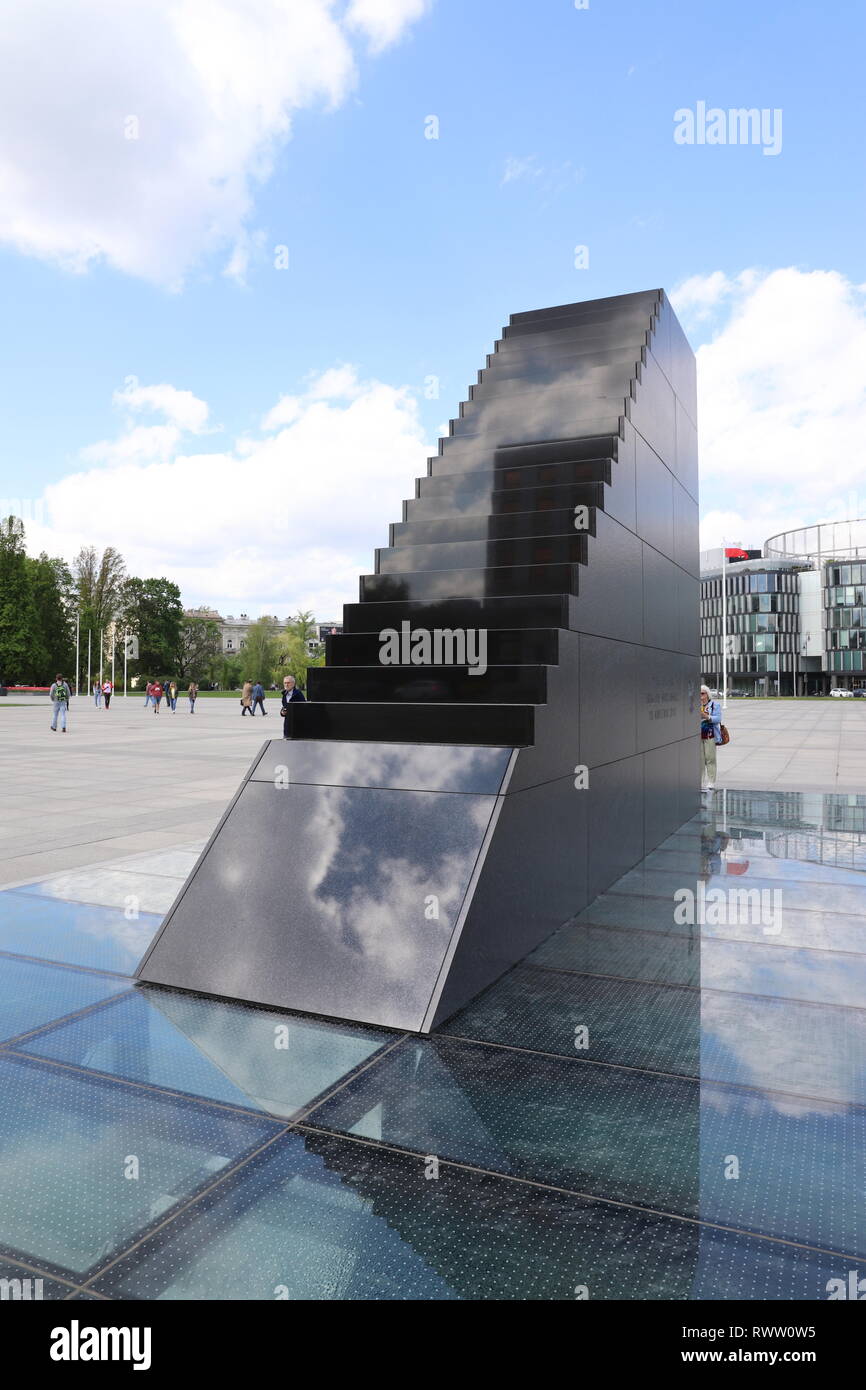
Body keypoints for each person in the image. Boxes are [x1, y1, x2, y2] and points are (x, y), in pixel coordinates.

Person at [700, 683, 723, 792]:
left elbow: (718, 719)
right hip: (697, 735)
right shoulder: (694, 705)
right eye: (699, 694)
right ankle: (699, 781)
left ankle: (711, 781)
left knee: (710, 759)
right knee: (699, 760)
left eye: (702, 694)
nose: (700, 696)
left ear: (707, 695)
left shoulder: (714, 705)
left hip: (710, 734)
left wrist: (707, 716)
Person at [280, 673, 305, 738]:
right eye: (285, 683)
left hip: (297, 724)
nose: (286, 685)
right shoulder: (284, 694)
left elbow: (304, 708)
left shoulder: (298, 694)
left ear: (293, 684)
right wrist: (282, 712)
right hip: (287, 724)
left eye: (288, 683)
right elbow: (284, 707)